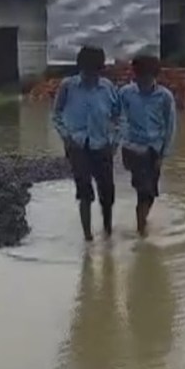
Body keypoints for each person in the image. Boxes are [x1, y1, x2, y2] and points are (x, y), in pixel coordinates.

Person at [52, 46, 121, 241]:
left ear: (100, 70)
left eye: (94, 71)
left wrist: (114, 141)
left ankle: (108, 230)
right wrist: (66, 136)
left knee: (107, 191)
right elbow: (56, 114)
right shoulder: (68, 86)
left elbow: (119, 116)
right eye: (86, 71)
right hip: (77, 145)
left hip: (102, 144)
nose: (90, 75)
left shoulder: (107, 87)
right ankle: (87, 236)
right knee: (84, 190)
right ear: (80, 68)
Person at [118, 55, 177, 237]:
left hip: (154, 149)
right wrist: (122, 138)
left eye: (147, 76)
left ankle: (142, 221)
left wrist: (163, 153)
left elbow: (170, 125)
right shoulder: (126, 93)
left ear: (154, 76)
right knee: (143, 189)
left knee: (150, 193)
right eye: (140, 76)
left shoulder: (164, 96)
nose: (143, 81)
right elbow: (117, 117)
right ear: (135, 75)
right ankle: (141, 229)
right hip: (133, 148)